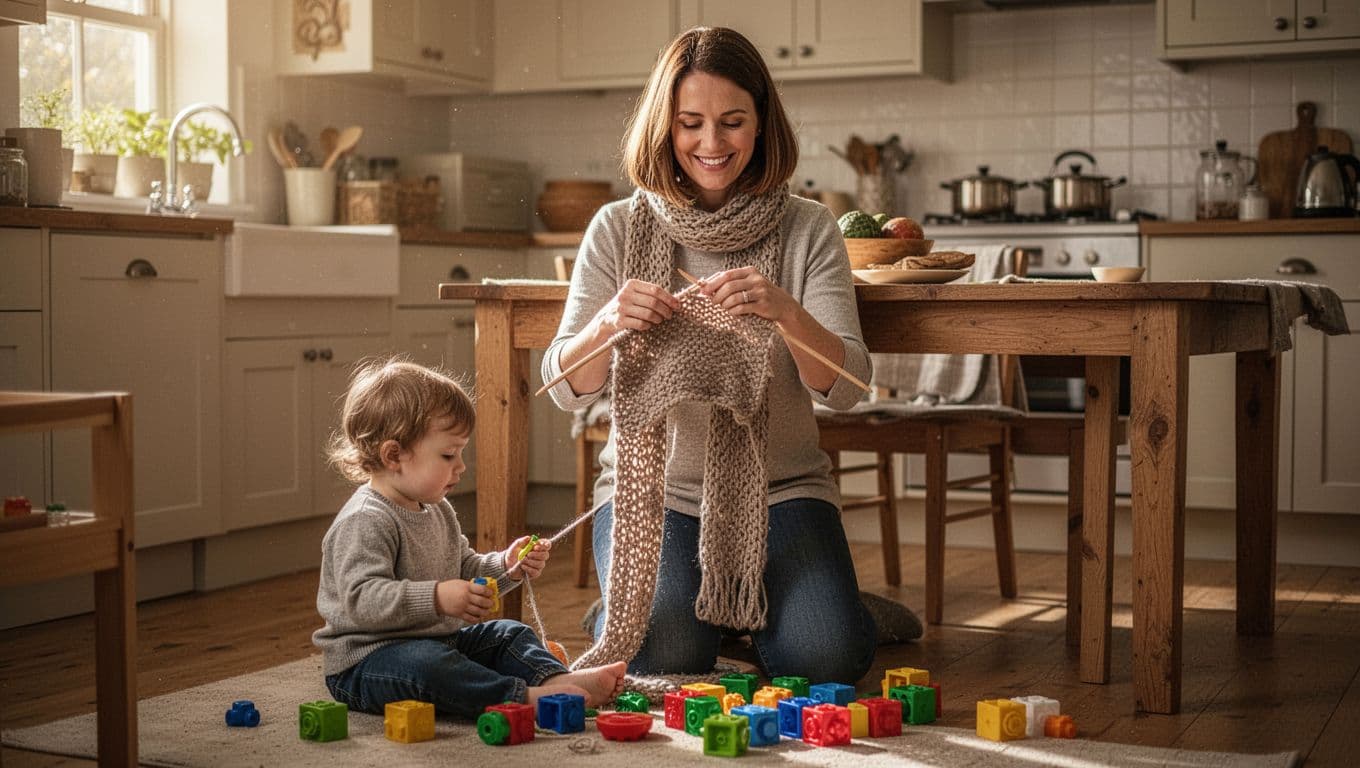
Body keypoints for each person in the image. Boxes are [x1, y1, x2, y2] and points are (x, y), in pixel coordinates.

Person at [543, 27, 904, 685]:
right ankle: (667, 606)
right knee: (662, 656)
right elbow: (564, 387)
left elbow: (849, 386)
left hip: (785, 492)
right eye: (691, 124)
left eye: (733, 122)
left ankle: (803, 607)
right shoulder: (617, 227)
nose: (712, 144)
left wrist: (786, 311)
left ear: (762, 125)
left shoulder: (808, 226)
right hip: (654, 496)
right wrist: (603, 325)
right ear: (664, 128)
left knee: (826, 660)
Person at [314, 357, 626, 718]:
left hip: (439, 641)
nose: (461, 466)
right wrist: (437, 597)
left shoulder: (438, 509)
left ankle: (555, 680)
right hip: (368, 663)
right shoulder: (365, 520)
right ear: (394, 455)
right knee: (429, 665)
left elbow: (467, 569)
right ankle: (519, 697)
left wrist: (507, 568)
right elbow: (361, 600)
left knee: (508, 633)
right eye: (448, 454)